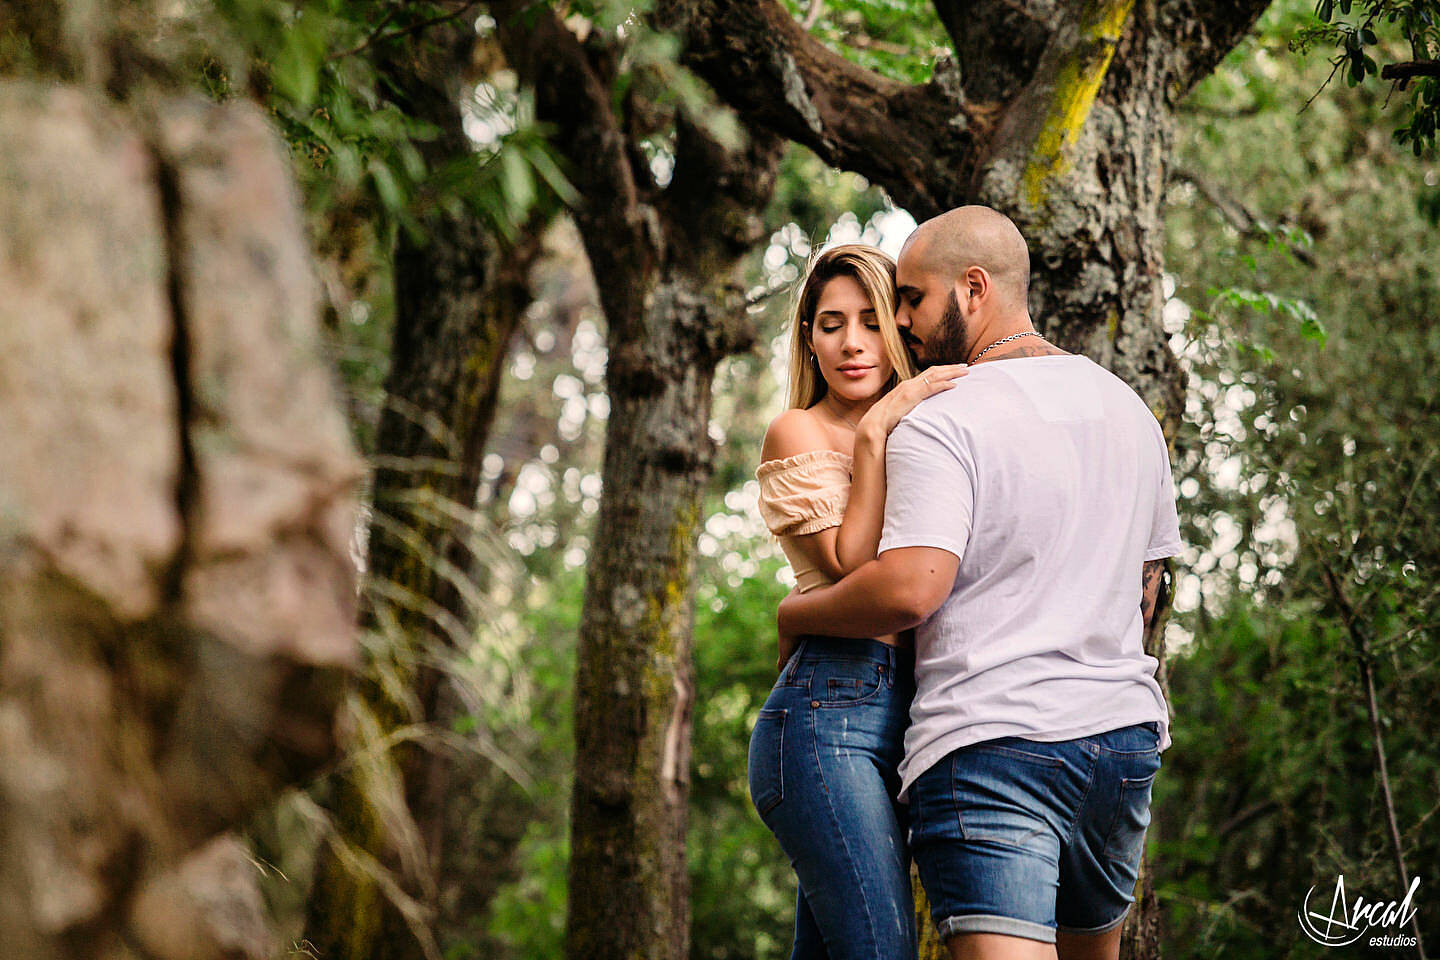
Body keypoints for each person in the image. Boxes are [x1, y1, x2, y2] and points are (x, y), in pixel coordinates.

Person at [777, 207, 1184, 960]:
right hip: (1121, 746)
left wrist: (796, 614)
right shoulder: (1128, 409)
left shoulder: (943, 418)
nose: (901, 324)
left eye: (912, 300)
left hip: (994, 743)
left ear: (972, 289)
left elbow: (907, 589)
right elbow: (1146, 589)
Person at [749, 242, 968, 960]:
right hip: (825, 715)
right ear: (808, 338)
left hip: (914, 716)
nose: (852, 343)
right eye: (831, 323)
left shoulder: (934, 430)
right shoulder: (801, 432)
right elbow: (851, 563)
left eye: (872, 321)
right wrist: (875, 430)